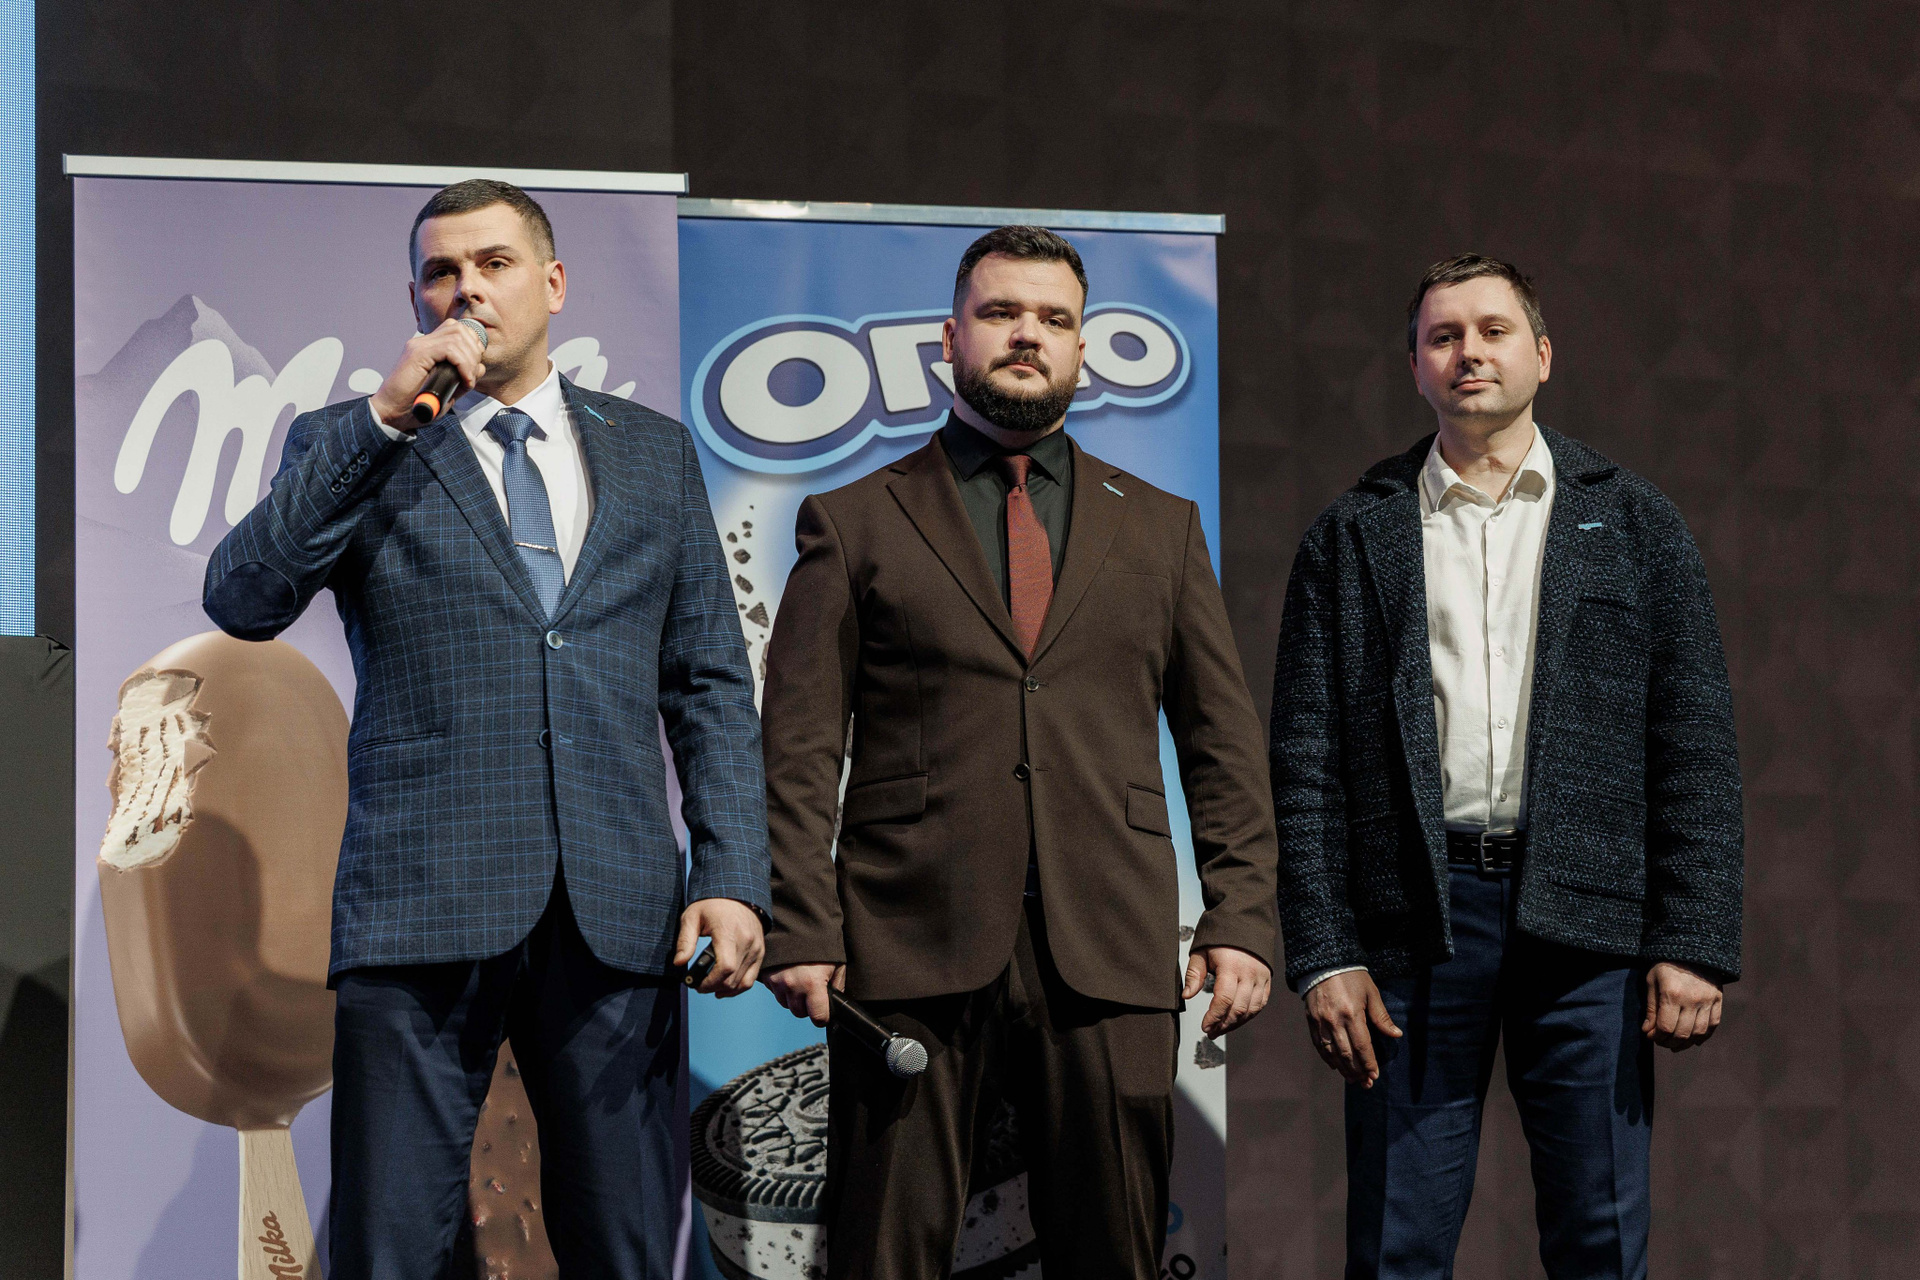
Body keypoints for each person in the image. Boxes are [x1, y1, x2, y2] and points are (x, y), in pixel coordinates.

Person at [204, 179, 769, 1278]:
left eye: (495, 264)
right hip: (421, 906)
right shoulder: (353, 441)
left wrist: (734, 871)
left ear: (553, 284)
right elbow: (243, 599)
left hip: (617, 915)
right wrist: (380, 421)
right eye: (441, 272)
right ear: (415, 298)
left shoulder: (653, 452)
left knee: (626, 1250)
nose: (466, 290)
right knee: (390, 1252)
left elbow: (708, 680)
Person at [758, 225, 1279, 1279]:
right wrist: (800, 920)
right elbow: (799, 745)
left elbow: (1221, 740)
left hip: (1112, 940)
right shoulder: (854, 521)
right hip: (905, 940)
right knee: (883, 1255)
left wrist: (1243, 915)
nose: (1027, 334)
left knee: (1114, 1254)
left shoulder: (1163, 528)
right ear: (951, 337)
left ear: (1083, 346)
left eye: (1054, 318)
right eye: (1000, 313)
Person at [1270, 254, 1743, 1279]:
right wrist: (1324, 951)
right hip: (1413, 923)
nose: (1469, 353)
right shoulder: (1353, 532)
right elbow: (1305, 763)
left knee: (1600, 1243)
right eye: (1443, 336)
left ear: (1543, 354)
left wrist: (1695, 938)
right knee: (1396, 1249)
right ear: (1415, 367)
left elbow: (1695, 740)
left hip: (1588, 927)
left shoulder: (1634, 521)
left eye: (1493, 331)